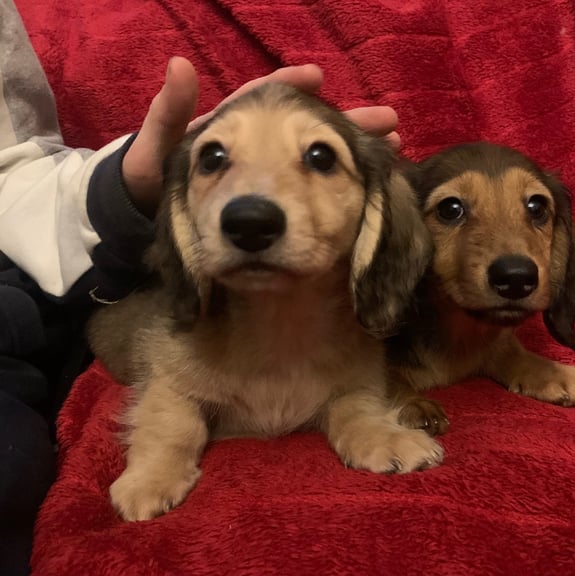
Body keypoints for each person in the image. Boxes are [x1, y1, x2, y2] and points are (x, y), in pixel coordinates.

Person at [0, 1, 400, 573]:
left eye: (319, 157)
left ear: (376, 213)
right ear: (183, 218)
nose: (253, 206)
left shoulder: (361, 350)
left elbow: (12, 170)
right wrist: (166, 453)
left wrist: (359, 419)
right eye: (216, 158)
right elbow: (174, 384)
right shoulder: (188, 351)